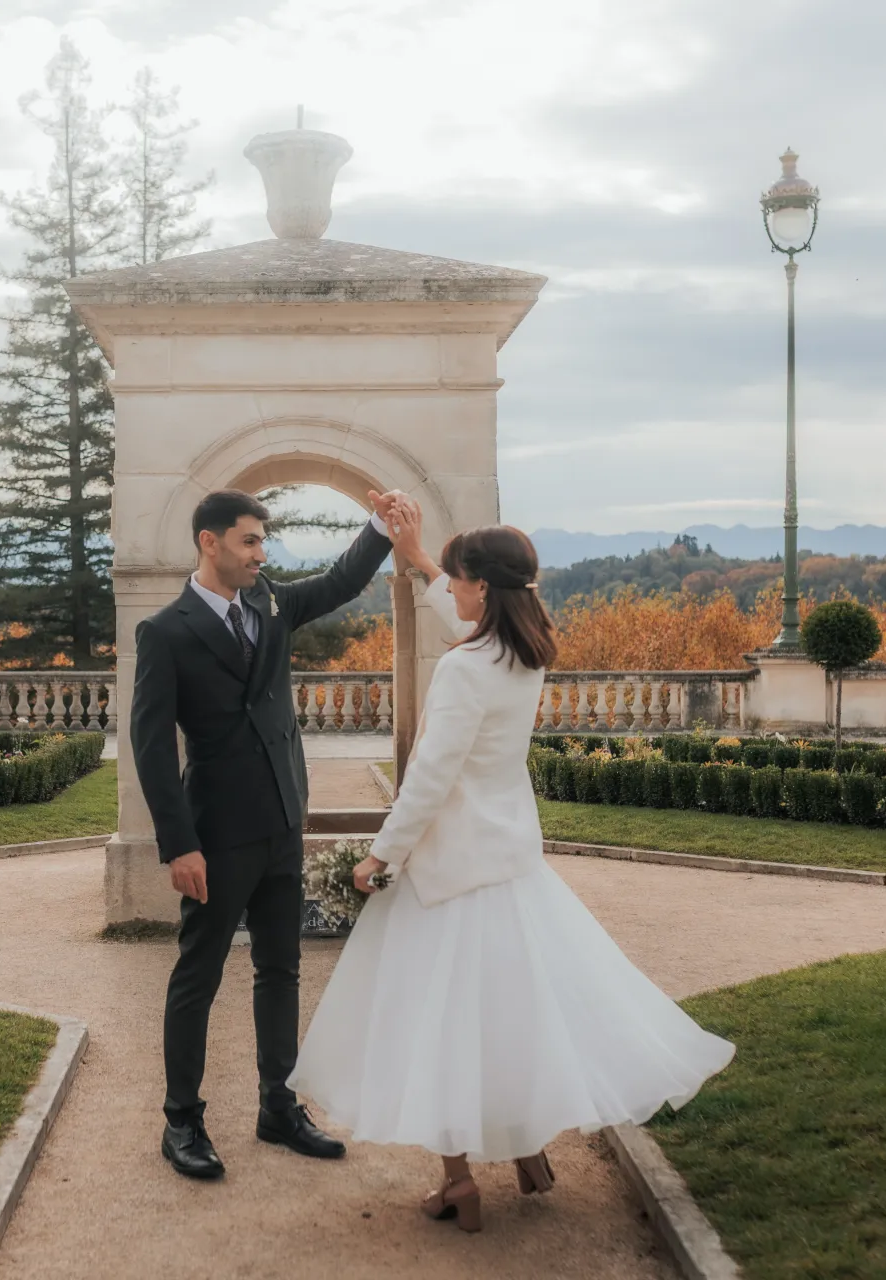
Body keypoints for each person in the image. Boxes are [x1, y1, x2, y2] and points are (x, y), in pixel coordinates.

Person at [289, 505, 735, 1232]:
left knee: (439, 1025)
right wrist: (423, 559)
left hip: (448, 872)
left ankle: (459, 1181)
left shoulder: (467, 668)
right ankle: (524, 1147)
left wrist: (381, 854)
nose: (454, 593)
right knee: (513, 1013)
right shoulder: (523, 652)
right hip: (508, 860)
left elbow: (430, 776)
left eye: (460, 582)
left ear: (483, 589)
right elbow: (465, 626)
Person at [131, 486, 406, 1181]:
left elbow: (341, 582)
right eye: (251, 541)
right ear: (210, 543)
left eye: (263, 541)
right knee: (198, 976)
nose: (262, 553)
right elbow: (153, 748)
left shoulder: (271, 603)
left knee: (280, 970)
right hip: (216, 836)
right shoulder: (164, 633)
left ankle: (277, 1107)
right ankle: (182, 1121)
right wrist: (179, 843)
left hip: (285, 820)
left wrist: (380, 526)